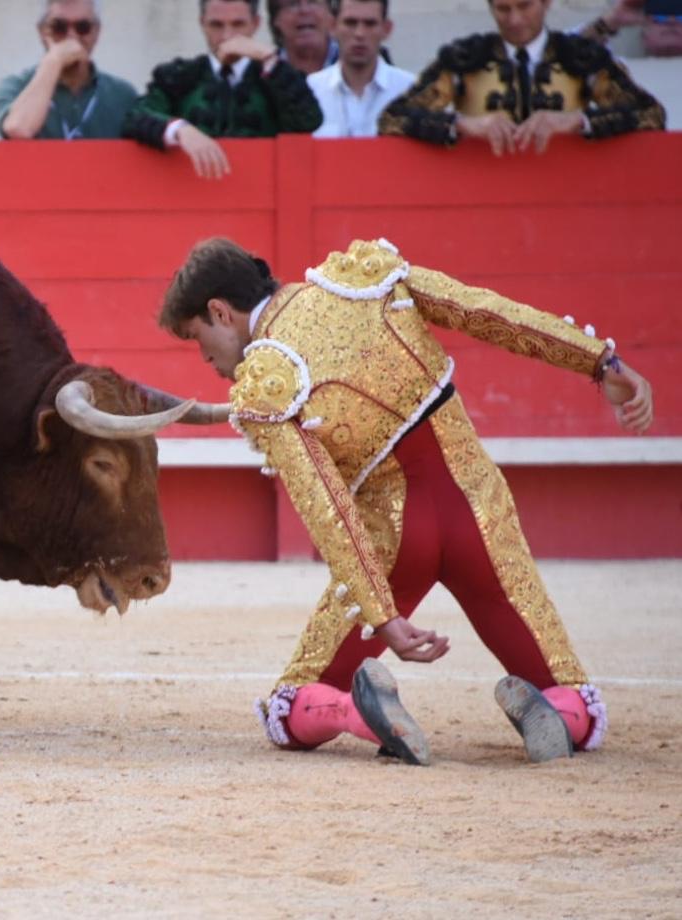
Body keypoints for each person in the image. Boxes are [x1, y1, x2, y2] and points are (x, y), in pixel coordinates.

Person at [159, 236, 653, 765]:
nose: (205, 357)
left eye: (197, 338)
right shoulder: (365, 279)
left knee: (292, 707)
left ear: (220, 311)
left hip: (396, 542)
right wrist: (599, 362)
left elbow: (329, 510)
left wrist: (384, 616)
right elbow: (487, 313)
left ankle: (357, 713)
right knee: (574, 695)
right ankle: (558, 715)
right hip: (479, 514)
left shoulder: (265, 383)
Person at [378, 0, 666, 154]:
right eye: (503, 8)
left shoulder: (582, 57)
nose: (514, 20)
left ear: (546, 2)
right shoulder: (464, 59)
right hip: (481, 192)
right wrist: (462, 124)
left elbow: (651, 115)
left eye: (524, 5)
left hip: (573, 192)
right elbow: (392, 120)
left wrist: (578, 120)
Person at [122, 0, 323, 180]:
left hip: (259, 196)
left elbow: (307, 121)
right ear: (202, 24)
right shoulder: (178, 76)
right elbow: (135, 117)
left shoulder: (275, 76)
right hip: (190, 197)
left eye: (238, 24)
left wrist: (269, 59)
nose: (227, 36)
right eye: (216, 25)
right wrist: (180, 129)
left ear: (256, 24)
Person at [0, 0, 138, 140]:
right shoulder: (15, 87)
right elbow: (19, 129)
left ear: (96, 32)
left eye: (83, 27)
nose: (71, 36)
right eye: (59, 27)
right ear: (42, 31)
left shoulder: (123, 95)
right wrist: (54, 61)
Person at [308, 0, 415, 137]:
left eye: (370, 24)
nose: (360, 34)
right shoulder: (310, 91)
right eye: (350, 23)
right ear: (332, 26)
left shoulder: (409, 90)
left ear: (386, 29)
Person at [267, 0, 338, 75]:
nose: (305, 10)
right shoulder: (263, 74)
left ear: (331, 15)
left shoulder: (349, 64)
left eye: (313, 2)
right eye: (293, 4)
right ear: (276, 19)